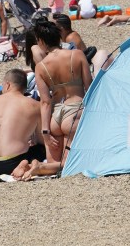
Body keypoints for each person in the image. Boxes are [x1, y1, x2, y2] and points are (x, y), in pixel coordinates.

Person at [32, 20, 90, 163]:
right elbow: (90, 88)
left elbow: (45, 102)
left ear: (41, 41)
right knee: (67, 166)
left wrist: (45, 131)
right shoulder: (77, 55)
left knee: (53, 165)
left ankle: (37, 167)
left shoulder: (41, 67)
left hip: (55, 117)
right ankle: (37, 168)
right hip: (75, 110)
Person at [0, 69, 46, 175]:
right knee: (41, 149)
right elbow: (42, 140)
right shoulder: (34, 105)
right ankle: (26, 163)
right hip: (14, 163)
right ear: (24, 87)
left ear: (7, 85)